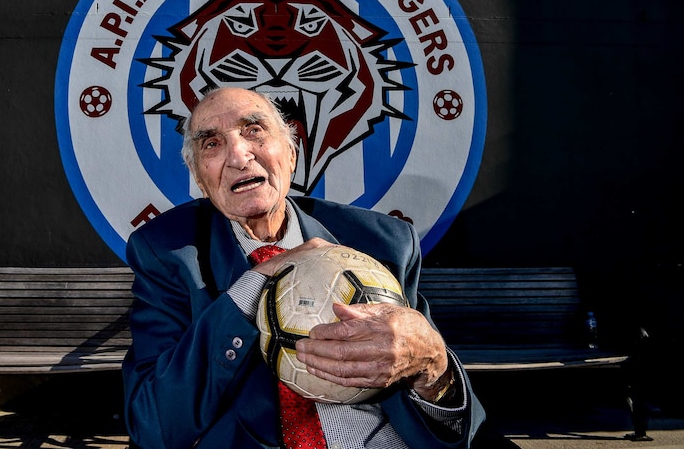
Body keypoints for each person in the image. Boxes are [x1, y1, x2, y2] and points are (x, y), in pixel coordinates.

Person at [122, 87, 486, 448]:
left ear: (292, 154)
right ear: (200, 179)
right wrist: (251, 287)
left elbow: (459, 427)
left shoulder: (383, 244)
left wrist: (434, 367)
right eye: (212, 144)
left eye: (254, 131)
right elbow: (154, 425)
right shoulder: (167, 253)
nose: (238, 155)